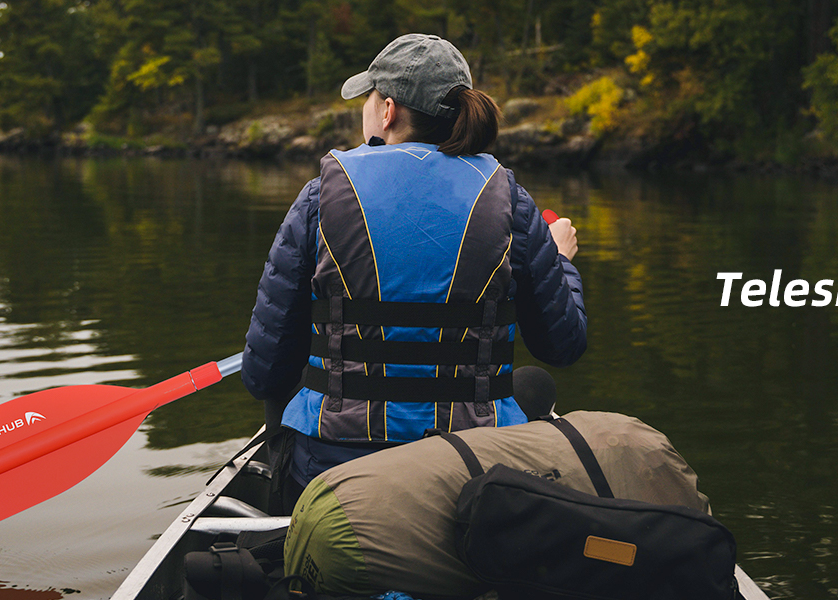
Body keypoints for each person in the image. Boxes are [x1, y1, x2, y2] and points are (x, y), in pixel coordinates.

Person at [241, 33, 586, 501]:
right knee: (532, 385)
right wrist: (561, 263)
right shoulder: (511, 202)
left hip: (333, 472)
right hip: (473, 469)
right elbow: (561, 344)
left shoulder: (320, 197)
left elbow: (263, 374)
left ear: (387, 111)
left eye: (368, 97)